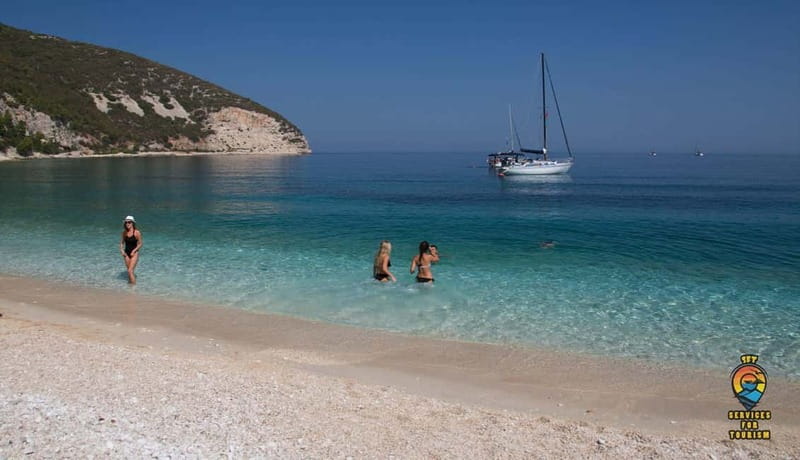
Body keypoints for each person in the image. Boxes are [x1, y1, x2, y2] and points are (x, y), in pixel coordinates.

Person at [119, 215, 142, 284]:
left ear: (133, 223)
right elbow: (121, 243)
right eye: (126, 222)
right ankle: (129, 290)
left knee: (130, 271)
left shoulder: (137, 232)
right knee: (129, 270)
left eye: (129, 222)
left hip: (134, 253)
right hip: (126, 254)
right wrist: (122, 251)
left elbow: (140, 244)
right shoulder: (124, 232)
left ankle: (134, 289)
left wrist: (134, 250)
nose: (127, 224)